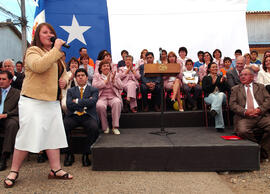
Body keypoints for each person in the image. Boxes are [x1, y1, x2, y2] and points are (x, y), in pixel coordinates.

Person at [4, 23, 72, 188]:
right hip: (32, 100)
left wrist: (65, 79)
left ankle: (55, 170)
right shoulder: (33, 51)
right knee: (26, 134)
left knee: (53, 135)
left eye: (51, 32)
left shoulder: (55, 54)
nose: (49, 34)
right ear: (38, 36)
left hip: (51, 101)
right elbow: (39, 66)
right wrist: (56, 50)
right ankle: (14, 171)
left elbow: (63, 72)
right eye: (45, 32)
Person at [230, 67, 270, 161]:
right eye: (241, 75)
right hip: (244, 117)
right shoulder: (235, 89)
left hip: (261, 115)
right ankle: (258, 150)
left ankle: (263, 149)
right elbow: (232, 104)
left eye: (245, 75)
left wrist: (260, 110)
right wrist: (245, 111)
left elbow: (268, 100)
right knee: (242, 131)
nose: (242, 77)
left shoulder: (260, 87)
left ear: (252, 77)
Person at [64, 68, 99, 167]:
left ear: (87, 77)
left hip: (87, 115)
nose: (80, 77)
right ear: (75, 78)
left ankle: (86, 153)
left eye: (82, 75)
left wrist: (77, 101)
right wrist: (85, 102)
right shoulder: (70, 90)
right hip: (74, 115)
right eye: (78, 76)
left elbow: (93, 102)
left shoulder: (93, 89)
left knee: (94, 127)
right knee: (63, 126)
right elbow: (69, 104)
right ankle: (69, 154)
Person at [92, 60, 123, 135]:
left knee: (117, 102)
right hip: (102, 97)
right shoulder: (97, 76)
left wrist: (113, 81)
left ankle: (115, 127)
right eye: (104, 66)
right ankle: (105, 127)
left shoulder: (115, 75)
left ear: (110, 67)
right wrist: (105, 82)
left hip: (113, 96)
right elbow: (94, 86)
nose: (106, 67)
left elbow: (121, 86)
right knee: (100, 106)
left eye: (107, 66)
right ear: (100, 68)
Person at [0, 71, 20, 171]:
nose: (1, 81)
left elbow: (19, 109)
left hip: (9, 117)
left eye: (4, 79)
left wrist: (6, 114)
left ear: (10, 80)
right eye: (0, 79)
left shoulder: (17, 93)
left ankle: (4, 156)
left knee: (12, 125)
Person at [202, 62, 229, 132]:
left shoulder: (221, 77)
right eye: (213, 67)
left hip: (221, 96)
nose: (215, 68)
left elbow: (227, 89)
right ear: (209, 69)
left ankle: (214, 110)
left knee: (220, 95)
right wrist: (213, 84)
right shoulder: (206, 78)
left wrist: (223, 82)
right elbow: (205, 89)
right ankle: (219, 126)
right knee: (216, 100)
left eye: (216, 67)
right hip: (209, 96)